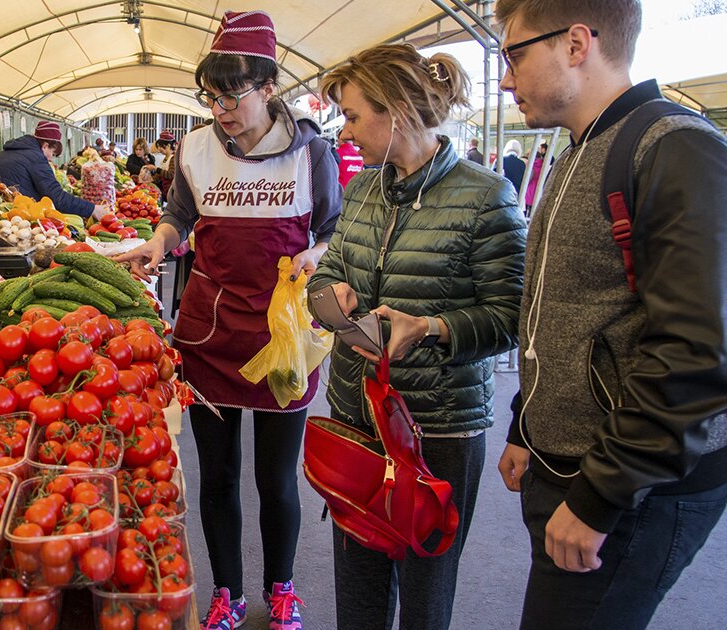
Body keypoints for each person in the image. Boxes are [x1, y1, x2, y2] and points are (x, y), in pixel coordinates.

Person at [495, 1, 727, 628]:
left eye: (514, 54)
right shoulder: (578, 150)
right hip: (576, 463)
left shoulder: (674, 147)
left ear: (576, 43)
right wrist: (526, 422)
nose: (505, 79)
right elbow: (563, 309)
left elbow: (696, 350)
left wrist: (602, 494)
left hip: (637, 489)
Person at [116, 10, 342, 630]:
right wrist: (159, 242)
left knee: (276, 478)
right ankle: (227, 592)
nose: (220, 108)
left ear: (269, 87)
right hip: (208, 334)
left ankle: (283, 588)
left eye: (232, 94)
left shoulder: (312, 154)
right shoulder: (192, 148)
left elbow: (332, 233)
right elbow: (177, 216)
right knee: (216, 473)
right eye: (210, 95)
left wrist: (313, 257)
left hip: (283, 336)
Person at [308, 43, 526, 630]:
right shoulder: (361, 193)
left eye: (353, 116)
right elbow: (325, 278)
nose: (344, 131)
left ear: (396, 111)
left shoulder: (486, 197)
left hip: (436, 430)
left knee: (427, 592)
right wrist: (331, 302)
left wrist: (429, 327)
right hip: (358, 418)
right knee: (357, 591)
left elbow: (510, 316)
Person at [0, 121, 108, 219]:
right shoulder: (36, 158)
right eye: (52, 153)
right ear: (45, 146)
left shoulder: (3, 153)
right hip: (16, 216)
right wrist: (92, 209)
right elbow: (57, 197)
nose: (50, 159)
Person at [523, 142, 549, 215]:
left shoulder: (530, 166)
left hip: (528, 191)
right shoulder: (544, 165)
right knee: (533, 213)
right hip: (539, 191)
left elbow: (528, 179)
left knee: (524, 213)